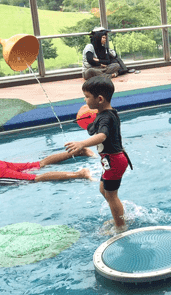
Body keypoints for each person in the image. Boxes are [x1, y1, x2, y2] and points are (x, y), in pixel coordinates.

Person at [65, 76, 133, 232]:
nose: (85, 100)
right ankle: (120, 214)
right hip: (111, 160)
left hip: (114, 161)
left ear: (100, 99)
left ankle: (121, 226)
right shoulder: (107, 114)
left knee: (111, 195)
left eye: (87, 96)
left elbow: (102, 136)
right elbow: (97, 129)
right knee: (104, 190)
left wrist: (81, 143)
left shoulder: (106, 118)